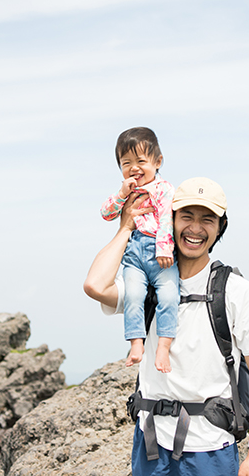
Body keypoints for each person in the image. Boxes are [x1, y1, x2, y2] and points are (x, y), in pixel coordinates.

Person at [84, 177, 249, 476]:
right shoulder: (148, 285)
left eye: (207, 219)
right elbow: (95, 285)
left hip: (210, 447)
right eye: (186, 216)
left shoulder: (236, 291)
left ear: (220, 227)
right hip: (150, 443)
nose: (195, 229)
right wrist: (126, 228)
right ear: (169, 220)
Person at [100, 127, 179, 373]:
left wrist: (164, 248)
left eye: (141, 161)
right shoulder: (126, 193)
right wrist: (121, 194)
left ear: (158, 162)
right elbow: (106, 214)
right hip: (134, 255)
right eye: (127, 163)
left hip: (160, 254)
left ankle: (164, 346)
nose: (134, 168)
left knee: (168, 297)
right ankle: (136, 342)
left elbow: (167, 218)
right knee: (134, 297)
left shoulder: (164, 188)